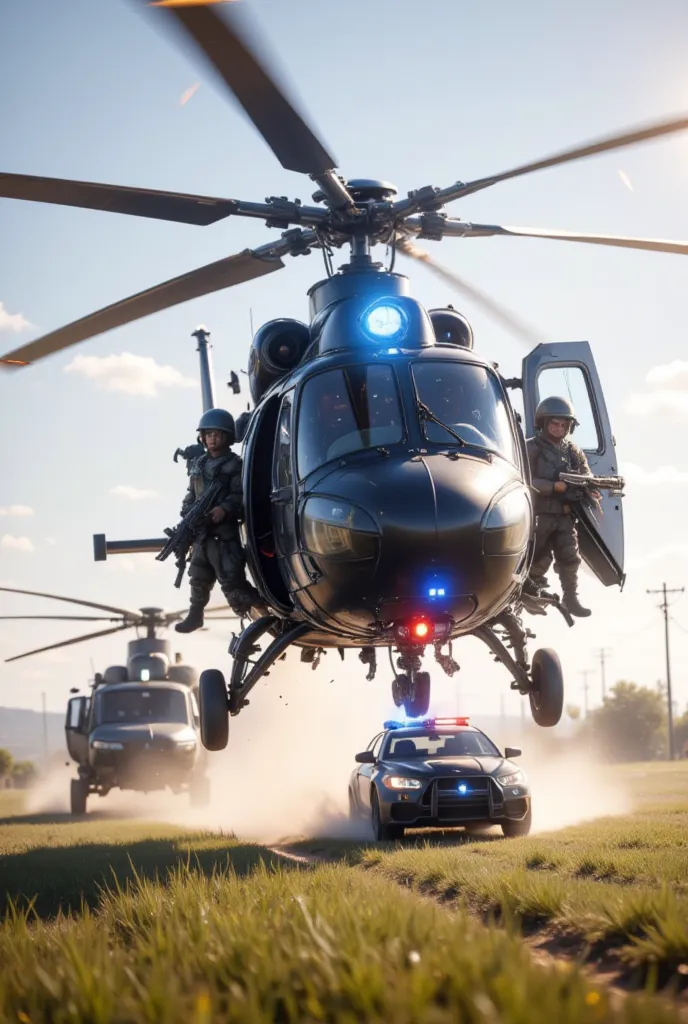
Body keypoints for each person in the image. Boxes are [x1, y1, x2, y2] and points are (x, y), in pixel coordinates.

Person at [175, 408, 265, 633]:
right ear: (202, 438)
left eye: (217, 434)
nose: (212, 439)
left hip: (224, 536)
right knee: (197, 577)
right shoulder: (198, 465)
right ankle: (196, 614)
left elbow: (239, 495)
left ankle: (263, 614)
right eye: (208, 435)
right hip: (202, 536)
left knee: (232, 581)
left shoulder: (234, 465)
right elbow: (191, 495)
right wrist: (187, 515)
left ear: (226, 437)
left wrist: (222, 510)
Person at [525, 396, 600, 618]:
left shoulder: (572, 451)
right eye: (554, 424)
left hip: (566, 516)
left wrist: (589, 489)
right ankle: (532, 594)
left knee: (570, 557)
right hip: (541, 515)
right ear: (544, 423)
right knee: (539, 557)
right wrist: (553, 486)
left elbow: (587, 475)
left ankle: (571, 598)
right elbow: (525, 480)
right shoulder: (532, 448)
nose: (558, 429)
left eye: (563, 425)